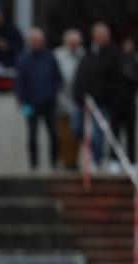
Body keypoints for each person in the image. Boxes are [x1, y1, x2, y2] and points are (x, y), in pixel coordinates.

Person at [73, 22, 121, 170]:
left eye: (104, 35)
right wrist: (79, 95)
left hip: (101, 102)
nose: (101, 38)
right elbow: (80, 75)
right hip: (83, 101)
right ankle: (91, 153)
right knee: (77, 127)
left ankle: (97, 159)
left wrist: (102, 96)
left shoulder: (113, 54)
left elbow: (113, 80)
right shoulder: (88, 53)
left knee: (99, 133)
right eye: (99, 35)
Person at [15, 28, 61, 170]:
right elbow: (19, 83)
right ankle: (33, 165)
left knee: (54, 134)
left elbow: (58, 79)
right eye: (34, 40)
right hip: (30, 105)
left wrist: (52, 94)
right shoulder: (23, 59)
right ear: (29, 42)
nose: (37, 43)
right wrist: (21, 102)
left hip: (49, 104)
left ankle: (54, 163)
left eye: (39, 40)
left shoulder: (50, 58)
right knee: (32, 135)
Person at [109, 38, 138, 172]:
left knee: (131, 133)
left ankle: (132, 161)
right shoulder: (117, 62)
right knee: (115, 133)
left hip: (130, 103)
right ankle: (114, 160)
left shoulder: (136, 62)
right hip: (116, 103)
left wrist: (129, 76)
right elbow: (110, 80)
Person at [54, 29, 84, 170]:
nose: (73, 45)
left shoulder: (83, 55)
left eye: (76, 43)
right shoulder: (57, 56)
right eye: (71, 43)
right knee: (63, 135)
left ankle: (73, 162)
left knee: (76, 134)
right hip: (61, 101)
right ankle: (65, 161)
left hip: (78, 102)